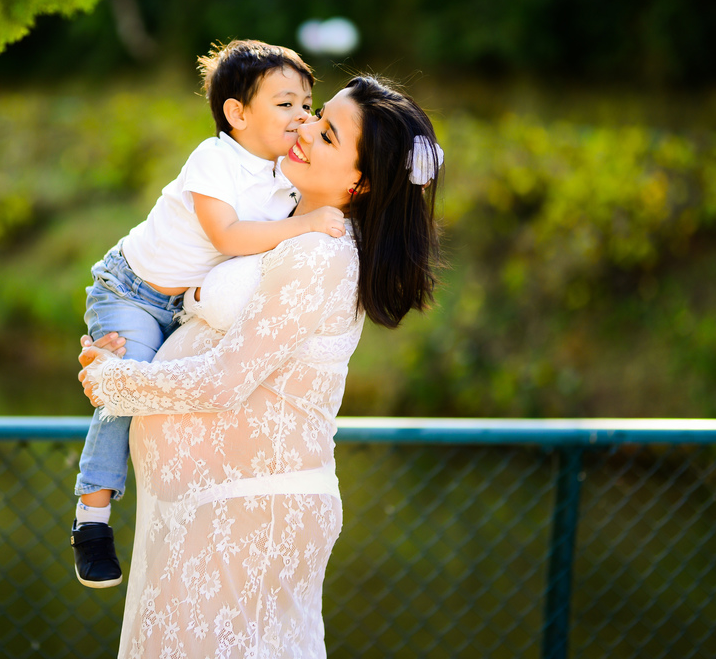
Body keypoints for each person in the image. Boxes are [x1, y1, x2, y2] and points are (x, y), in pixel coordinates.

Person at [78, 75, 444, 657]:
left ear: (361, 181)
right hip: (203, 506)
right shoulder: (273, 215)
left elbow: (226, 379)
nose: (302, 128)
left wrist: (112, 381)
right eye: (314, 114)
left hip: (248, 511)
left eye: (325, 134)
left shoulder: (321, 254)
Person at [71, 40, 348, 588]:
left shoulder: (283, 180)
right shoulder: (214, 159)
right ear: (237, 113)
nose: (303, 118)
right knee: (127, 388)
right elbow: (228, 236)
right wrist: (306, 225)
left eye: (307, 105)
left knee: (162, 389)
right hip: (131, 290)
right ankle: (92, 519)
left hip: (178, 305)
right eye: (286, 104)